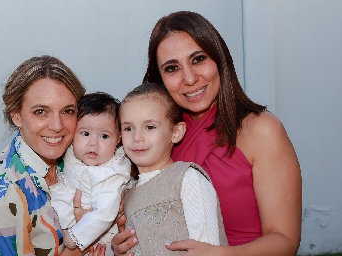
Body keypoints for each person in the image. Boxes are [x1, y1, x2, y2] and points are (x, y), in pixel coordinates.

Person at [112, 11, 302, 256]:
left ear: (219, 60)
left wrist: (222, 254)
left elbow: (285, 241)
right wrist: (124, 244)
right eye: (172, 68)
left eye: (198, 59)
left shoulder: (261, 130)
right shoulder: (153, 137)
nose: (190, 78)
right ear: (160, 78)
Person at [0, 55, 102, 256]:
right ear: (16, 116)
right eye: (41, 112)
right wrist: (85, 238)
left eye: (68, 111)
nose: (57, 126)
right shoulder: (3, 193)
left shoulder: (79, 154)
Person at [118, 82, 228, 255]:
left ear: (176, 132)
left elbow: (208, 248)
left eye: (150, 127)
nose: (137, 137)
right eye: (128, 128)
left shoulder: (187, 178)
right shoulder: (127, 192)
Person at [50, 92, 131, 255]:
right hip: (73, 230)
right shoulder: (70, 154)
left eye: (104, 136)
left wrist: (75, 235)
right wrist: (67, 226)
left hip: (105, 241)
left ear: (119, 139)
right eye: (85, 133)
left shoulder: (112, 173)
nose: (93, 143)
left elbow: (105, 213)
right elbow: (62, 192)